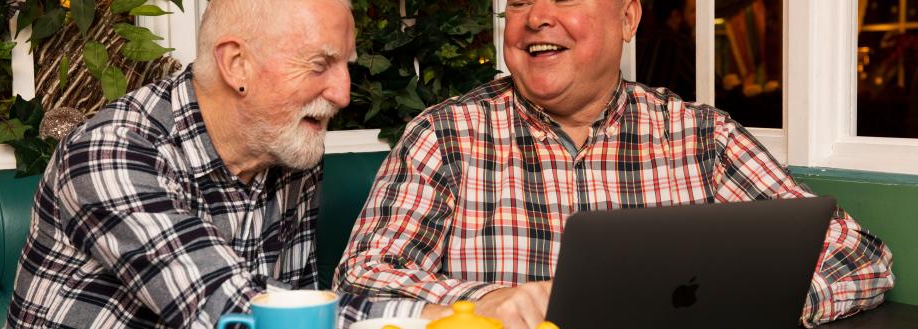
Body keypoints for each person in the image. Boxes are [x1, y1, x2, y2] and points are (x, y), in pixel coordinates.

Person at [333, 0, 894, 328]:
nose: (537, 19)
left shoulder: (700, 135)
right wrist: (484, 301)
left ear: (628, 18)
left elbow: (860, 255)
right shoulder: (444, 135)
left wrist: (758, 303)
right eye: (522, 1)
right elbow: (359, 283)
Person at [6, 0, 437, 328]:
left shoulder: (288, 152)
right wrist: (454, 317)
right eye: (320, 64)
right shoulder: (110, 152)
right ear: (236, 64)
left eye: (345, 66)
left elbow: (293, 305)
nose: (343, 94)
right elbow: (239, 312)